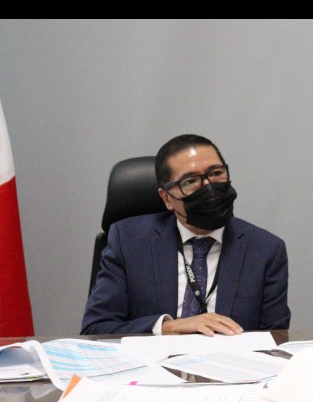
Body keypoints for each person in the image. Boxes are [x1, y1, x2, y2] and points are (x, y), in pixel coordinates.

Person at [81, 134, 290, 336]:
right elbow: (96, 328)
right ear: (167, 198)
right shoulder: (128, 241)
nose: (208, 187)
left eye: (216, 173)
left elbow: (275, 338)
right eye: (190, 181)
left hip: (230, 360)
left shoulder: (266, 250)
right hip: (154, 359)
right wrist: (170, 327)